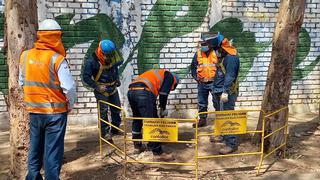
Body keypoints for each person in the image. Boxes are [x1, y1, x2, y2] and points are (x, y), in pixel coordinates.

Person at [19, 19, 77, 180]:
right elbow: (69, 88)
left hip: (34, 112)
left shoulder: (25, 56)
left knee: (35, 148)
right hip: (55, 113)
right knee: (53, 151)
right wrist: (70, 105)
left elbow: (21, 82)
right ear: (56, 37)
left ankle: (32, 177)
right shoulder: (57, 59)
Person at [127, 69, 179, 161]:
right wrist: (163, 108)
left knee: (137, 118)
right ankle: (157, 152)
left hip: (131, 91)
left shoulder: (158, 73)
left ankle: (137, 145)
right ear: (175, 82)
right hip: (143, 92)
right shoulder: (170, 77)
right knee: (151, 122)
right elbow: (163, 93)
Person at [83, 39, 123, 142]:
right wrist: (97, 86)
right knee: (103, 112)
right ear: (101, 51)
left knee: (116, 108)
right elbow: (86, 77)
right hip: (101, 89)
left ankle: (115, 128)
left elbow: (115, 68)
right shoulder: (92, 61)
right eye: (107, 54)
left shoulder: (112, 56)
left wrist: (117, 79)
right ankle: (105, 133)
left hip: (113, 87)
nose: (109, 57)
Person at [209, 32, 240, 154]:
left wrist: (225, 92)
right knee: (220, 115)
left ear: (221, 47)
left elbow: (230, 75)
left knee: (227, 116)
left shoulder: (231, 57)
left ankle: (230, 144)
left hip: (226, 92)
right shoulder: (223, 56)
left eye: (216, 49)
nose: (215, 52)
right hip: (218, 90)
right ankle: (222, 136)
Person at [191, 32, 223, 127]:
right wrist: (196, 78)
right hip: (202, 83)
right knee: (202, 102)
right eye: (202, 44)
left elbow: (221, 68)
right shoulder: (198, 54)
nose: (203, 46)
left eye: (205, 44)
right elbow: (193, 67)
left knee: (217, 101)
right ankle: (202, 119)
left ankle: (220, 121)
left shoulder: (216, 53)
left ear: (209, 45)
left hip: (214, 82)